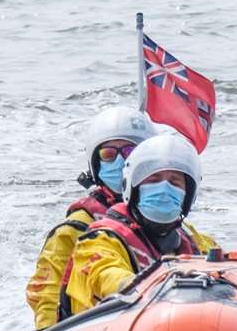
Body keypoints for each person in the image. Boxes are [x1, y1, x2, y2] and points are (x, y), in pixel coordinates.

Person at [25, 107, 158, 329]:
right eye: (108, 155)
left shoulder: (172, 228)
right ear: (95, 163)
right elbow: (46, 296)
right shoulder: (75, 228)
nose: (119, 162)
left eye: (129, 152)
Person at [64, 133, 219, 314]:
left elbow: (231, 268)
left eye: (174, 181)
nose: (164, 188)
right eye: (154, 180)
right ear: (133, 187)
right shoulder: (99, 240)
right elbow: (105, 275)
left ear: (188, 195)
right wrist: (156, 286)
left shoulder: (196, 242)